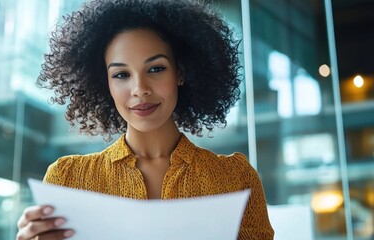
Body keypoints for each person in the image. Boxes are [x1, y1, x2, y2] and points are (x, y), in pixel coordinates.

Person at [16, 0, 274, 239]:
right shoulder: (67, 179)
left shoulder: (236, 178)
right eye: (121, 74)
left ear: (180, 73)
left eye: (156, 69)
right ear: (104, 82)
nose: (139, 88)